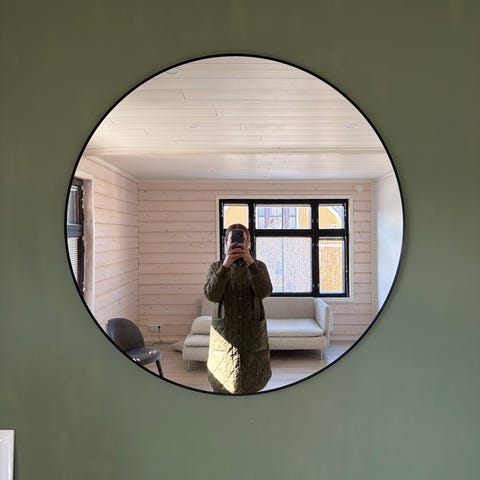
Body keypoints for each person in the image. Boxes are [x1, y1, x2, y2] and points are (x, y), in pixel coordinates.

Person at [203, 223, 273, 394]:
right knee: (223, 381)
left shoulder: (259, 266)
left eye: (242, 240)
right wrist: (225, 266)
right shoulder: (216, 267)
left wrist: (251, 263)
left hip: (252, 333)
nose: (237, 244)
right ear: (226, 243)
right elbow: (212, 295)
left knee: (253, 382)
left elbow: (264, 292)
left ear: (248, 243)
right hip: (225, 332)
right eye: (232, 240)